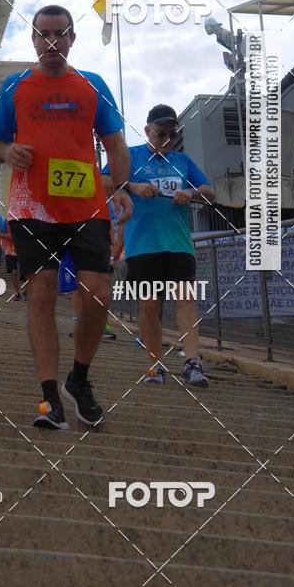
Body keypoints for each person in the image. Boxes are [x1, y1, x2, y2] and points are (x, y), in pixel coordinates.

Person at [0, 4, 132, 429]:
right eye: (43, 33)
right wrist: (7, 151)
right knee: (43, 293)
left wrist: (119, 187)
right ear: (32, 38)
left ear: (71, 38)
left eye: (59, 33)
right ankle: (50, 398)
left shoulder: (92, 86)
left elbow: (116, 144)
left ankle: (78, 379)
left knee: (98, 293)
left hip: (87, 204)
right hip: (32, 205)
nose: (51, 42)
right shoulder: (15, 87)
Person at [102, 104, 215, 387]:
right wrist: (133, 187)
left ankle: (192, 361)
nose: (166, 138)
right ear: (148, 130)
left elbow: (210, 192)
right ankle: (156, 363)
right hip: (143, 246)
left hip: (179, 244)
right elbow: (103, 181)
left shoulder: (183, 161)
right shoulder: (131, 156)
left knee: (185, 299)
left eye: (171, 134)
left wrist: (190, 192)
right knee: (150, 305)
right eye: (160, 133)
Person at [0, 219, 25, 300]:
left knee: (26, 272)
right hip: (9, 251)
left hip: (23, 250)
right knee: (13, 272)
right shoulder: (6, 221)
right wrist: (10, 236)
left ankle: (26, 291)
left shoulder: (24, 220)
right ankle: (17, 293)